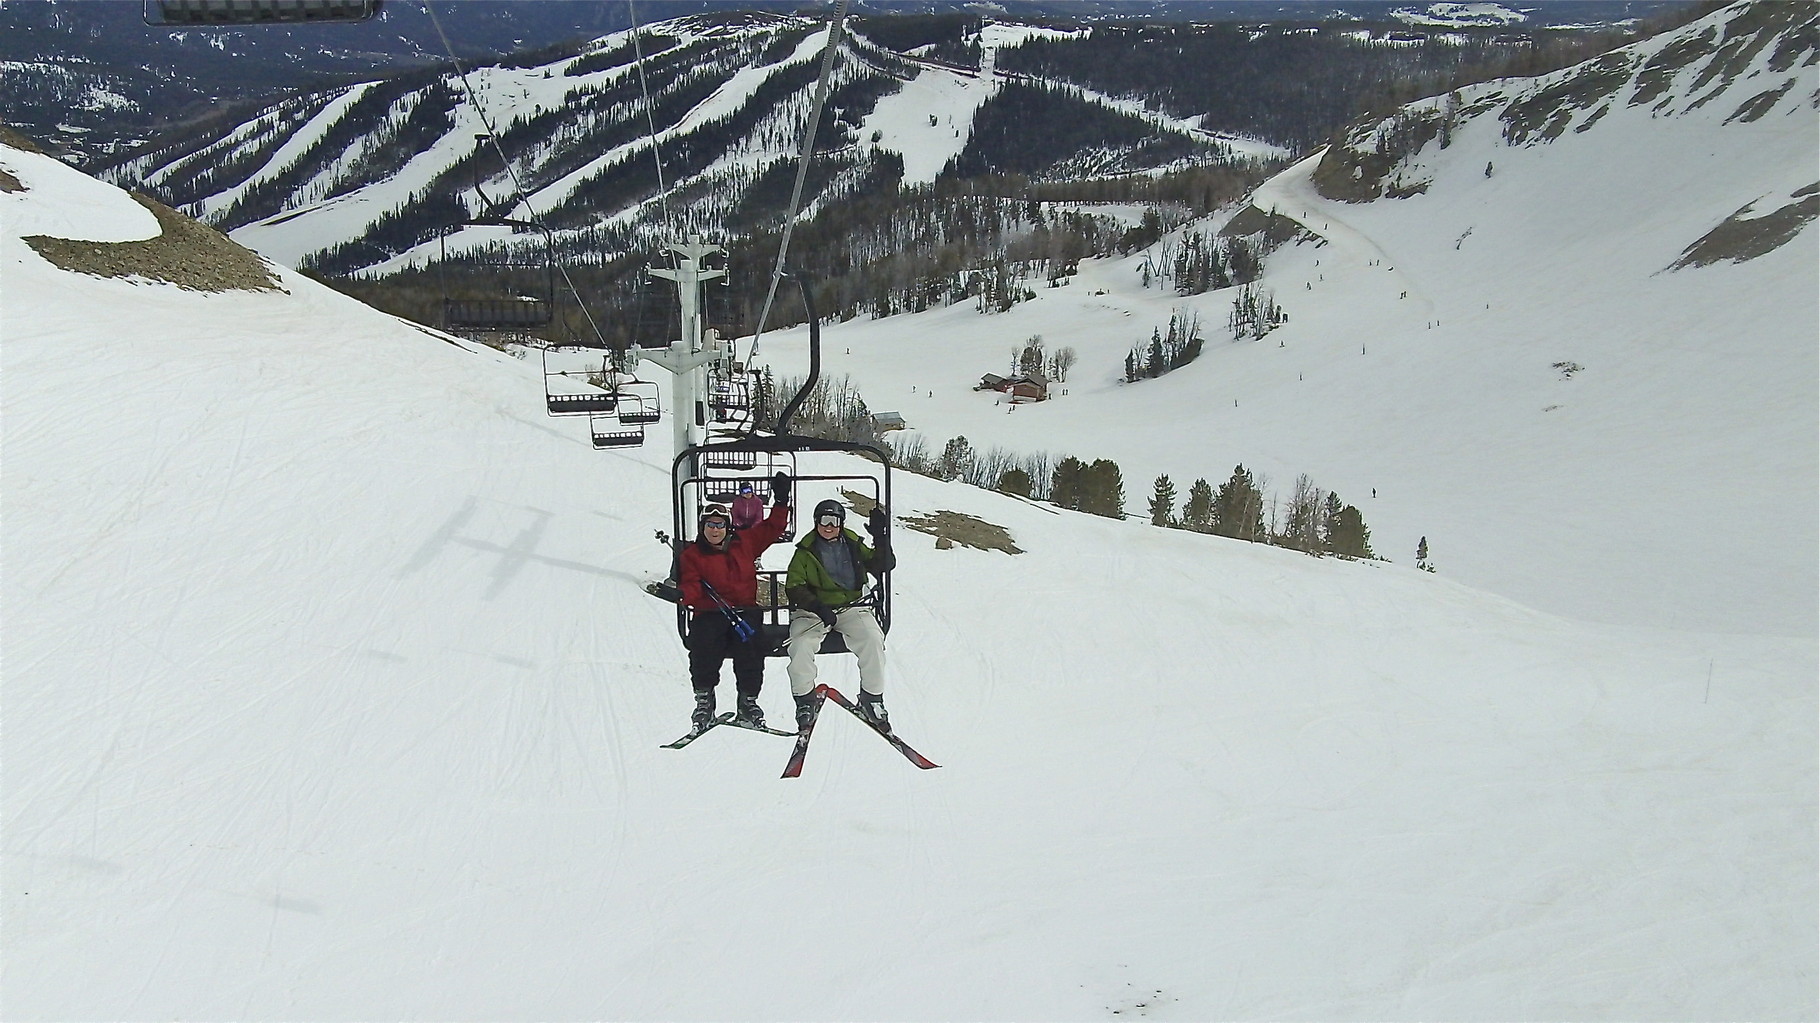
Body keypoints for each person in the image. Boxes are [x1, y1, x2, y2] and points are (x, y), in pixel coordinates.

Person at [677, 472, 791, 731]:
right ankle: (704, 698)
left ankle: (748, 700)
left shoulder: (745, 543)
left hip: (745, 611)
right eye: (710, 525)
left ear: (728, 527)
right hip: (710, 611)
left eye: (719, 525)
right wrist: (684, 595)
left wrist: (782, 501)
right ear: (702, 527)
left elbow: (773, 528)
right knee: (703, 642)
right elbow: (692, 584)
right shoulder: (693, 555)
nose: (714, 530)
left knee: (751, 645)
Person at [784, 498, 895, 730]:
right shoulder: (806, 551)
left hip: (851, 606)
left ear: (841, 523)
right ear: (816, 523)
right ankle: (805, 700)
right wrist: (818, 607)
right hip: (814, 611)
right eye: (823, 521)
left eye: (834, 521)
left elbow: (883, 565)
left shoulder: (852, 544)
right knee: (800, 644)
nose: (828, 526)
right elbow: (794, 587)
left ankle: (872, 698)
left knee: (873, 640)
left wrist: (881, 537)